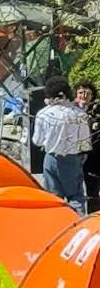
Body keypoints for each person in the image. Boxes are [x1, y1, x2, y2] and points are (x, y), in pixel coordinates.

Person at [33, 76, 92, 213]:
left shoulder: (43, 114)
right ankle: (77, 226)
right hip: (72, 160)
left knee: (53, 198)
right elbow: (85, 143)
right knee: (76, 197)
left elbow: (37, 141)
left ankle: (56, 226)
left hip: (51, 159)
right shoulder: (80, 115)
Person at [75, 80, 100, 209]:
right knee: (74, 193)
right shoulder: (69, 111)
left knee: (93, 193)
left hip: (93, 159)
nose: (84, 96)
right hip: (74, 158)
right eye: (81, 93)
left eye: (88, 94)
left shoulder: (97, 111)